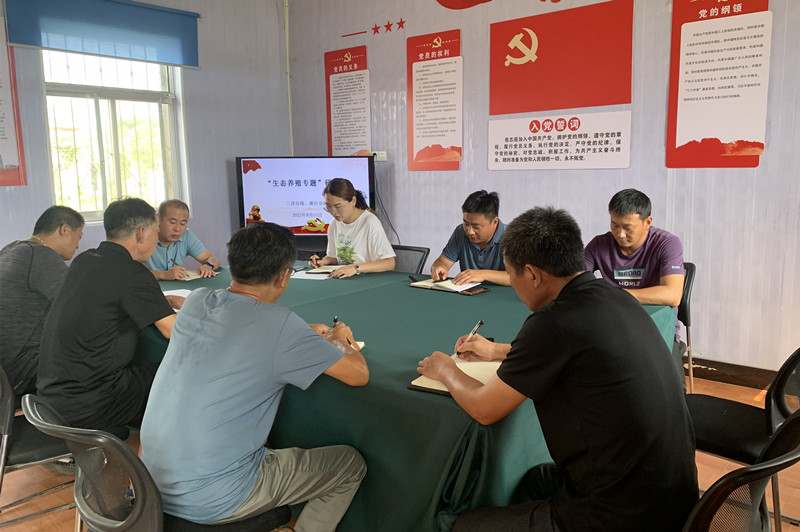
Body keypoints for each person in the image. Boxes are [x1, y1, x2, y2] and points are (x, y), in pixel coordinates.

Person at [417, 207, 697, 532]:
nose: (513, 285)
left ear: (533, 275)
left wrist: (446, 369)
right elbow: (573, 349)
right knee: (530, 480)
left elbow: (484, 409)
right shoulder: (615, 296)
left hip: (618, 515)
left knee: (454, 525)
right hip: (673, 497)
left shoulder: (552, 321)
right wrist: (497, 350)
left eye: (512, 276)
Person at [141, 222, 368, 529]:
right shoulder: (281, 325)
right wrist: (342, 340)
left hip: (149, 484)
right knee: (348, 465)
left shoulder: (197, 300)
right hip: (215, 496)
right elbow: (358, 375)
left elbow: (242, 330)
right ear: (283, 275)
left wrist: (303, 333)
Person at [37, 198, 183, 429]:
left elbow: (107, 297)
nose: (157, 240)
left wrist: (163, 300)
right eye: (156, 232)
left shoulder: (84, 260)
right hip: (93, 402)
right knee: (180, 370)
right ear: (141, 233)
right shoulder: (133, 273)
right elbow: (173, 330)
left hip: (51, 397)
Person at [584, 188, 686, 385]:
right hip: (611, 327)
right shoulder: (598, 245)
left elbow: (672, 295)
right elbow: (575, 282)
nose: (620, 234)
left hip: (657, 330)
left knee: (673, 388)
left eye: (627, 228)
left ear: (647, 222)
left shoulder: (667, 243)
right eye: (614, 225)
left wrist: (613, 294)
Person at [0, 206, 84, 396]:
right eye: (78, 237)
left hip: (4, 369)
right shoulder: (41, 255)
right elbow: (79, 305)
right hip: (22, 370)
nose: (78, 246)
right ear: (64, 229)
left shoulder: (10, 249)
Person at [308, 178, 395, 278]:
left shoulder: (369, 222)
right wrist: (322, 261)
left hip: (367, 278)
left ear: (353, 201)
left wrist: (355, 268)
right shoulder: (334, 224)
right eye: (328, 207)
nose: (333, 212)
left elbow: (389, 263)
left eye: (338, 206)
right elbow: (336, 258)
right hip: (343, 278)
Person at [430, 190, 510, 286]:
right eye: (466, 223)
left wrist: (483, 274)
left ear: (494, 222)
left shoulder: (512, 236)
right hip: (469, 293)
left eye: (476, 226)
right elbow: (442, 262)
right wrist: (439, 267)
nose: (469, 231)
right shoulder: (460, 232)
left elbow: (519, 277)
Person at [144, 199, 219, 280]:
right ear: (158, 219)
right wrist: (163, 275)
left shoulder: (186, 236)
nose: (177, 229)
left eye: (182, 223)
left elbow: (212, 259)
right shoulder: (145, 236)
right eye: (172, 222)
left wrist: (208, 265)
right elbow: (133, 272)